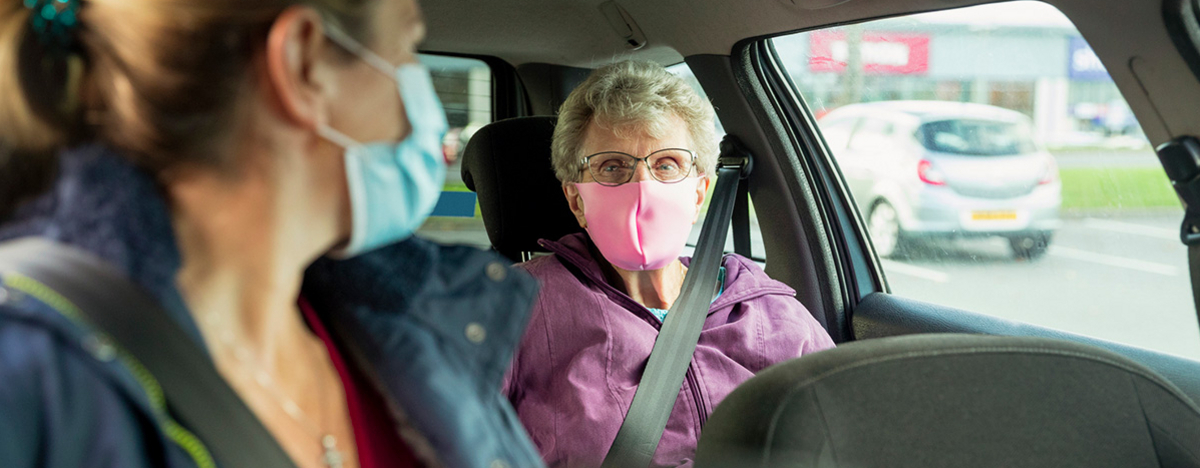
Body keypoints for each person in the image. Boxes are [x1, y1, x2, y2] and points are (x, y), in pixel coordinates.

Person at [0, 0, 542, 467]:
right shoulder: (32, 385)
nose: (429, 115)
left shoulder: (408, 327)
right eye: (406, 51)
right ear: (305, 63)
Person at [501, 60, 836, 467]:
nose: (643, 186)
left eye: (666, 164)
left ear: (699, 192)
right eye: (613, 167)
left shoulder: (772, 312)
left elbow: (845, 439)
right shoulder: (510, 307)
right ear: (576, 200)